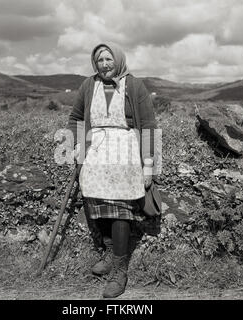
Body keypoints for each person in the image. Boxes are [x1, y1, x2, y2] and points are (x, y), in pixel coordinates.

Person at [67, 43, 157, 298]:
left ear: (118, 59)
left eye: (108, 59)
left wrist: (148, 164)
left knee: (119, 207)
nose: (104, 64)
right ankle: (109, 251)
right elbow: (75, 118)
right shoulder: (88, 85)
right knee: (97, 203)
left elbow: (149, 125)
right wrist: (76, 145)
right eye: (99, 60)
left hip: (125, 153)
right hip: (95, 153)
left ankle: (120, 269)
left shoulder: (134, 85)